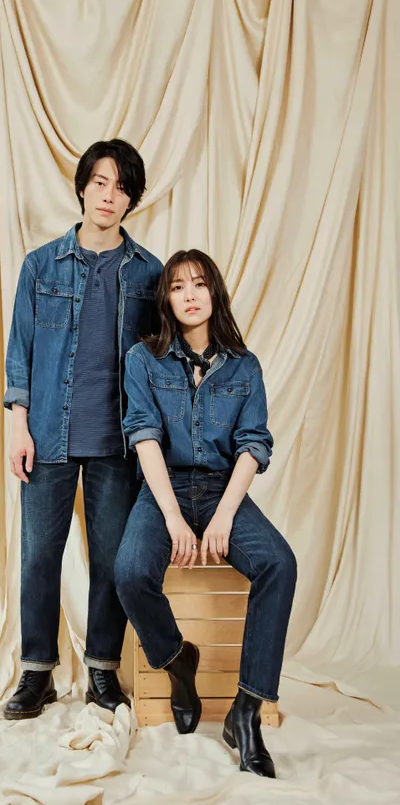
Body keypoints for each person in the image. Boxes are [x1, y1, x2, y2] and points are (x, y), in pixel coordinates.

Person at [114, 249, 297, 777]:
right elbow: (144, 438)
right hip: (163, 489)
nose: (189, 295)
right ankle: (178, 662)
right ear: (166, 299)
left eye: (199, 284)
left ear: (214, 292)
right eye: (177, 287)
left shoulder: (244, 365)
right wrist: (174, 519)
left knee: (279, 563)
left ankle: (246, 711)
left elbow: (253, 445)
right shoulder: (143, 359)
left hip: (222, 491)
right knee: (130, 572)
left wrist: (223, 517)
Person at [2, 139, 163, 720]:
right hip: (47, 433)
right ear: (83, 187)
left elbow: (162, 358)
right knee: (38, 558)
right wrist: (19, 425)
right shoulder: (40, 265)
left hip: (118, 443)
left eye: (121, 187)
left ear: (131, 200)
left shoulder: (150, 273)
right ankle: (36, 673)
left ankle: (102, 671)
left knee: (111, 562)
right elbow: (20, 352)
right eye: (100, 182)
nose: (109, 195)